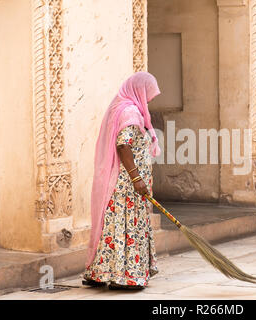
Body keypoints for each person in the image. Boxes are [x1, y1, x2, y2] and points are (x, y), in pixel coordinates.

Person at [82, 72, 161, 290]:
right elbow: (123, 144)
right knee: (125, 228)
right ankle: (127, 277)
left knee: (115, 228)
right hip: (126, 186)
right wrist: (137, 178)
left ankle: (101, 273)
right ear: (140, 91)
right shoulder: (130, 112)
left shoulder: (124, 108)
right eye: (149, 95)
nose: (151, 100)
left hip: (126, 185)